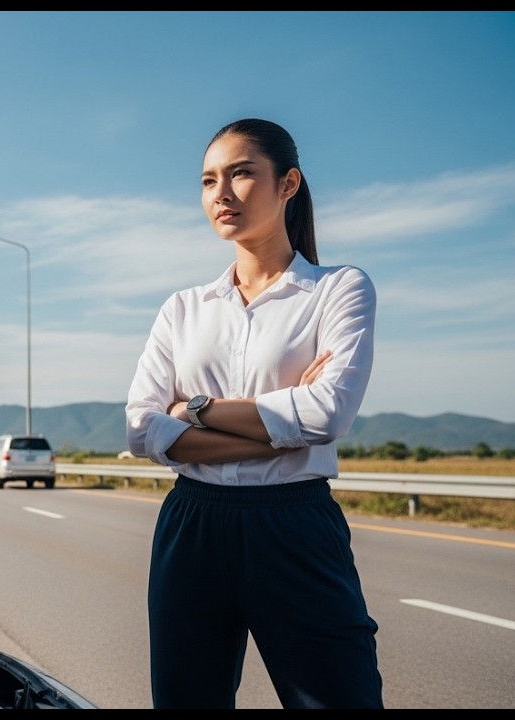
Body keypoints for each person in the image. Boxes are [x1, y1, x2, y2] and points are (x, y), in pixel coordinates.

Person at [125, 118, 383, 708]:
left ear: (288, 184)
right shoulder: (183, 309)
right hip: (192, 525)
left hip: (295, 526)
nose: (221, 193)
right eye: (208, 180)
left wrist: (194, 410)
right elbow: (141, 428)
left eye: (241, 174)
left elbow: (327, 414)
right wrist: (284, 430)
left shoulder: (339, 289)